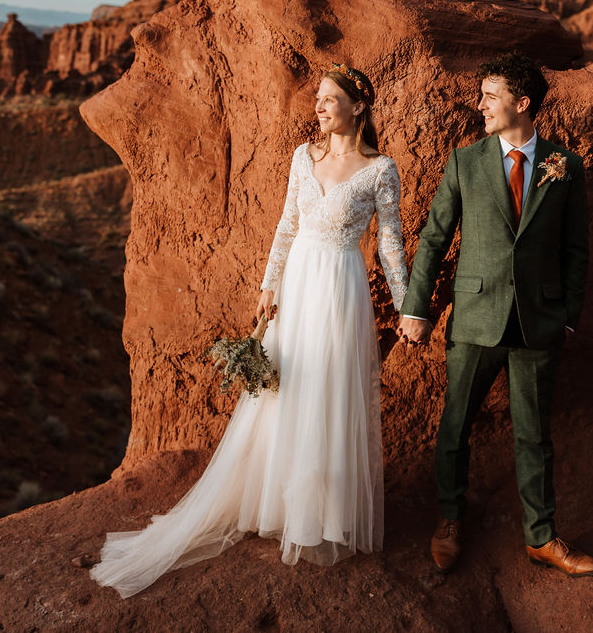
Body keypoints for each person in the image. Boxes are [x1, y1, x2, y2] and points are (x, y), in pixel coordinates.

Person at [90, 64, 408, 598]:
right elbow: (286, 224)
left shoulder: (381, 170)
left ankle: (321, 514)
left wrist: (406, 306)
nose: (320, 107)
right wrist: (268, 285)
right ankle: (278, 502)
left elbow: (391, 244)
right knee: (286, 390)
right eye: (318, 99)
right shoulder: (302, 159)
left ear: (359, 107)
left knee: (327, 395)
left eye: (331, 99)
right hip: (299, 283)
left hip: (339, 289)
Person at [397, 53, 593, 577]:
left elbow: (576, 249)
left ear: (522, 103)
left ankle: (542, 537)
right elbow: (434, 239)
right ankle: (449, 521)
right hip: (474, 319)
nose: (480, 105)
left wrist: (569, 316)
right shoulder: (465, 161)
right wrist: (416, 308)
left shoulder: (565, 165)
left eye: (490, 96)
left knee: (534, 434)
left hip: (539, 322)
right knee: (455, 428)